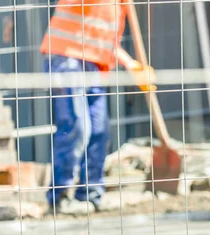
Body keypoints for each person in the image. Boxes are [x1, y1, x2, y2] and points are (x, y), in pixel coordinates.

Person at [40, 0, 154, 214]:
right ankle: (59, 198)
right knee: (77, 127)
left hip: (93, 65)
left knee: (99, 131)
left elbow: (103, 40)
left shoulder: (118, 5)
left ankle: (90, 196)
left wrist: (132, 65)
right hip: (66, 57)